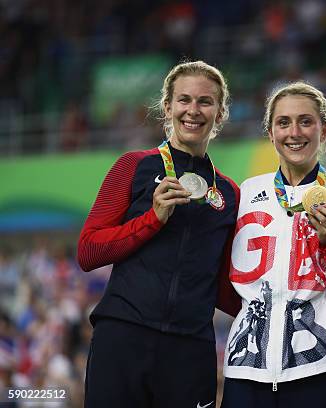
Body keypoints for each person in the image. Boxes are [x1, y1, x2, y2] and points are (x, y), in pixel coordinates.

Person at [77, 60, 240, 408]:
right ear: (167, 107)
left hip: (190, 349)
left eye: (205, 101)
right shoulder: (134, 165)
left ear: (220, 113)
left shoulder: (229, 193)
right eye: (184, 100)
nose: (193, 111)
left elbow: (223, 287)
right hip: (123, 336)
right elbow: (88, 251)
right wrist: (153, 218)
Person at [221, 82, 326, 408]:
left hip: (318, 364)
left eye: (305, 121)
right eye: (283, 122)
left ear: (324, 129)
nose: (294, 132)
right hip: (246, 367)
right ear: (270, 132)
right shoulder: (246, 192)